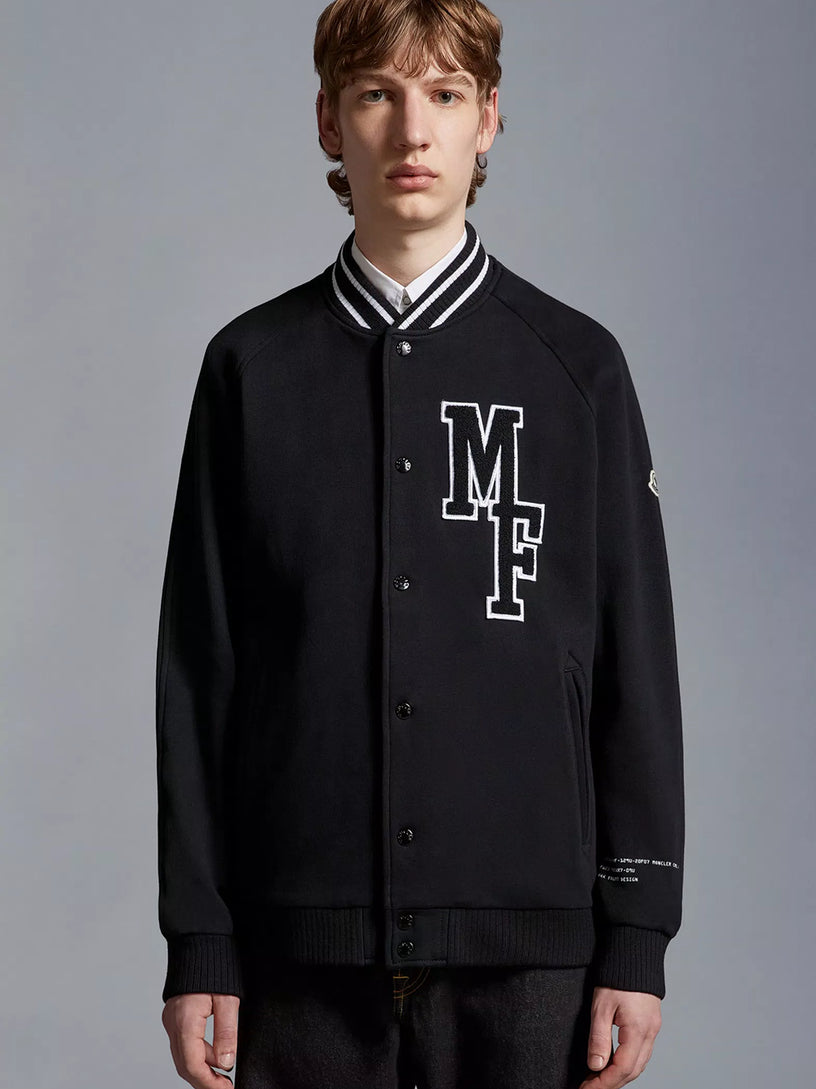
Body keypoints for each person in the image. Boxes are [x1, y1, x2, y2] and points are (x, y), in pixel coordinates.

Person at [156, 1, 685, 1086]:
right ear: (328, 120)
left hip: (532, 957)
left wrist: (639, 933)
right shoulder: (250, 369)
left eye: (444, 94)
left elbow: (636, 661)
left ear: (486, 119)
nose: (411, 131)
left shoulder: (577, 369)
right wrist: (199, 936)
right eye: (376, 95)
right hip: (298, 948)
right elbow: (201, 672)